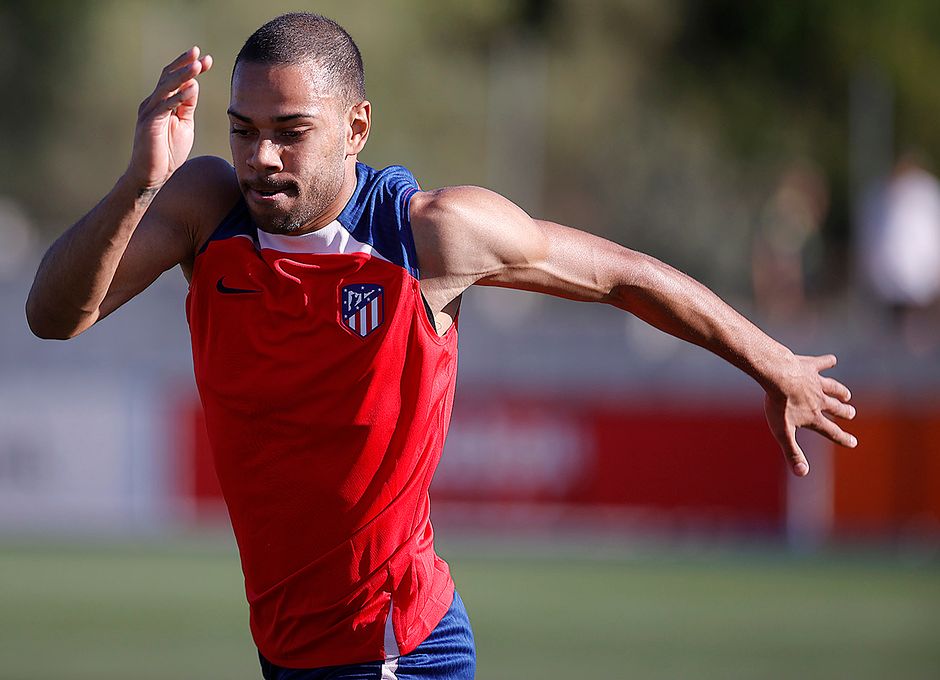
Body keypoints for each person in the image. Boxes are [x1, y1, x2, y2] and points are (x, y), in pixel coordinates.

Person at [25, 13, 857, 680]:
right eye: (243, 129)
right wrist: (139, 183)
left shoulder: (427, 236)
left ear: (356, 127)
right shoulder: (207, 210)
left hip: (394, 649)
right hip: (289, 651)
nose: (261, 157)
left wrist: (772, 362)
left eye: (290, 131)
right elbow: (54, 315)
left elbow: (621, 275)